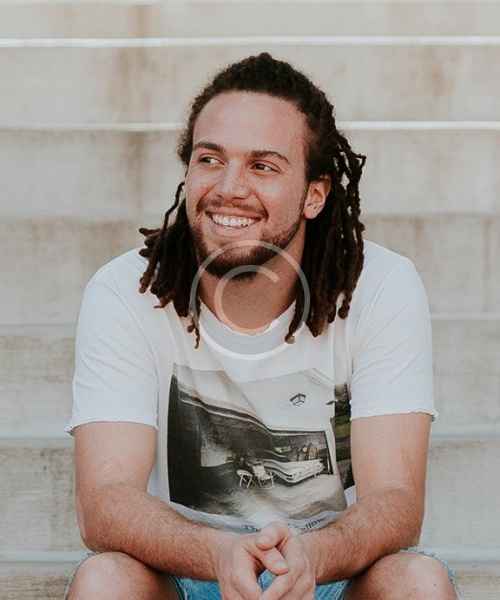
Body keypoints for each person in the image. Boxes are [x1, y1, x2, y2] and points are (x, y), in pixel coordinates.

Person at [64, 52, 461, 599]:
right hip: (187, 569)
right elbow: (105, 502)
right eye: (210, 159)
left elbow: (395, 502)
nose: (229, 187)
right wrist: (218, 554)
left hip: (328, 569)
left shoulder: (381, 287)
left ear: (314, 194)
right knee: (105, 579)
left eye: (263, 166)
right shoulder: (125, 290)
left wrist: (312, 558)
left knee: (416, 580)